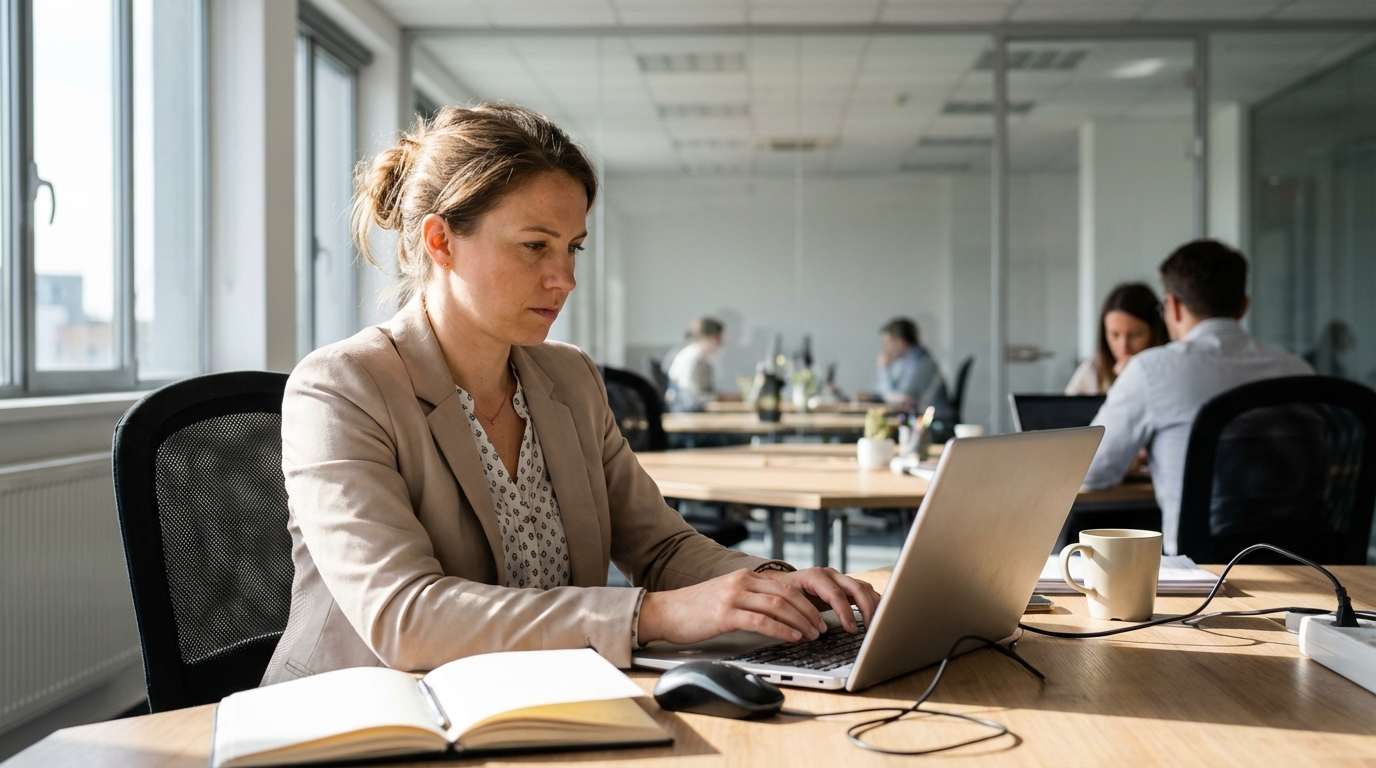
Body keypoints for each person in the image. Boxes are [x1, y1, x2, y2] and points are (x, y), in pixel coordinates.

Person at [261, 105, 878, 685]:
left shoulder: (569, 380)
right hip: (364, 722)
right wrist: (652, 617)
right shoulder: (341, 388)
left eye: (572, 247)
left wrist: (774, 586)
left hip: (542, 704)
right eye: (535, 246)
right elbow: (405, 617)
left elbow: (660, 547)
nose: (565, 279)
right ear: (441, 241)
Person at [1081, 240, 1313, 555]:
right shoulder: (1299, 372)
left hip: (1203, 575)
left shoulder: (1152, 370)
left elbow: (1092, 470)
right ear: (1244, 306)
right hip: (1310, 567)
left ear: (1173, 306)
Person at [1065, 283, 1169, 395]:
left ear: (1155, 331)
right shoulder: (1093, 370)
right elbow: (1066, 409)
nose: (1124, 346)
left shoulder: (1170, 368)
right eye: (1115, 335)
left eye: (1134, 335)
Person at [874, 317, 954, 422]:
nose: (885, 349)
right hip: (923, 421)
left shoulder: (920, 362)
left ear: (900, 342)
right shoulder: (911, 360)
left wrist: (884, 369)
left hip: (934, 424)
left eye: (887, 343)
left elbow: (901, 398)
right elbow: (892, 392)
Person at [664, 316, 723, 412]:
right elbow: (691, 398)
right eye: (718, 339)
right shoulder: (692, 359)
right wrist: (719, 397)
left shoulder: (702, 359)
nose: (721, 343)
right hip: (684, 413)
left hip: (692, 410)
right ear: (707, 338)